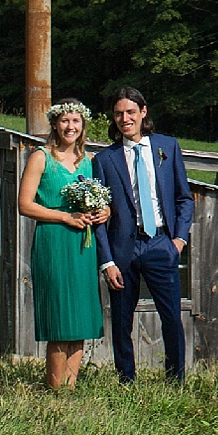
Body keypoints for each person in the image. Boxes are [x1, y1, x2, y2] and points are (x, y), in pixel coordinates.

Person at [93, 87, 194, 384]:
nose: (125, 119)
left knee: (171, 317)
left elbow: (184, 197)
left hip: (162, 243)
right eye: (119, 114)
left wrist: (179, 240)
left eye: (130, 112)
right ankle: (126, 380)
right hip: (124, 247)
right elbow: (98, 214)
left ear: (143, 112)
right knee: (122, 319)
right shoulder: (105, 159)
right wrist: (107, 261)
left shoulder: (167, 147)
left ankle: (175, 380)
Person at [19, 98, 107, 391]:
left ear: (83, 126)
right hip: (54, 241)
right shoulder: (41, 157)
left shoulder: (90, 161)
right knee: (60, 316)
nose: (70, 126)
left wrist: (105, 211)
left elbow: (105, 201)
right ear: (55, 124)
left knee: (80, 317)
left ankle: (70, 387)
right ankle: (55, 389)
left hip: (83, 245)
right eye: (65, 121)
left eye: (76, 121)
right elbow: (25, 204)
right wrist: (64, 217)